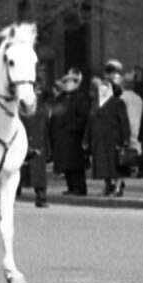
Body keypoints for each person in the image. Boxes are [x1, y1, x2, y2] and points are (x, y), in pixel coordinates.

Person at [86, 65, 132, 196]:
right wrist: (87, 138)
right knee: (104, 165)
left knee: (115, 165)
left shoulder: (118, 103)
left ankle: (117, 186)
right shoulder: (96, 104)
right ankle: (108, 185)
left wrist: (126, 139)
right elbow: (91, 121)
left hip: (114, 139)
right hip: (100, 139)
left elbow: (124, 122)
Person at [48, 67, 91, 195]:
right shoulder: (60, 98)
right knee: (65, 164)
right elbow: (55, 115)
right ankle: (71, 186)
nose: (67, 84)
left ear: (75, 83)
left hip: (74, 137)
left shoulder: (81, 98)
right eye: (65, 82)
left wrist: (73, 128)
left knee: (76, 165)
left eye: (70, 82)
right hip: (61, 136)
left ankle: (79, 188)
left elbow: (83, 117)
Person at [18, 80, 51, 208]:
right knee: (20, 168)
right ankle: (15, 191)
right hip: (26, 140)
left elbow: (47, 127)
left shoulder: (42, 107)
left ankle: (41, 197)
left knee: (39, 171)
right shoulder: (22, 107)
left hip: (39, 141)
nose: (37, 92)